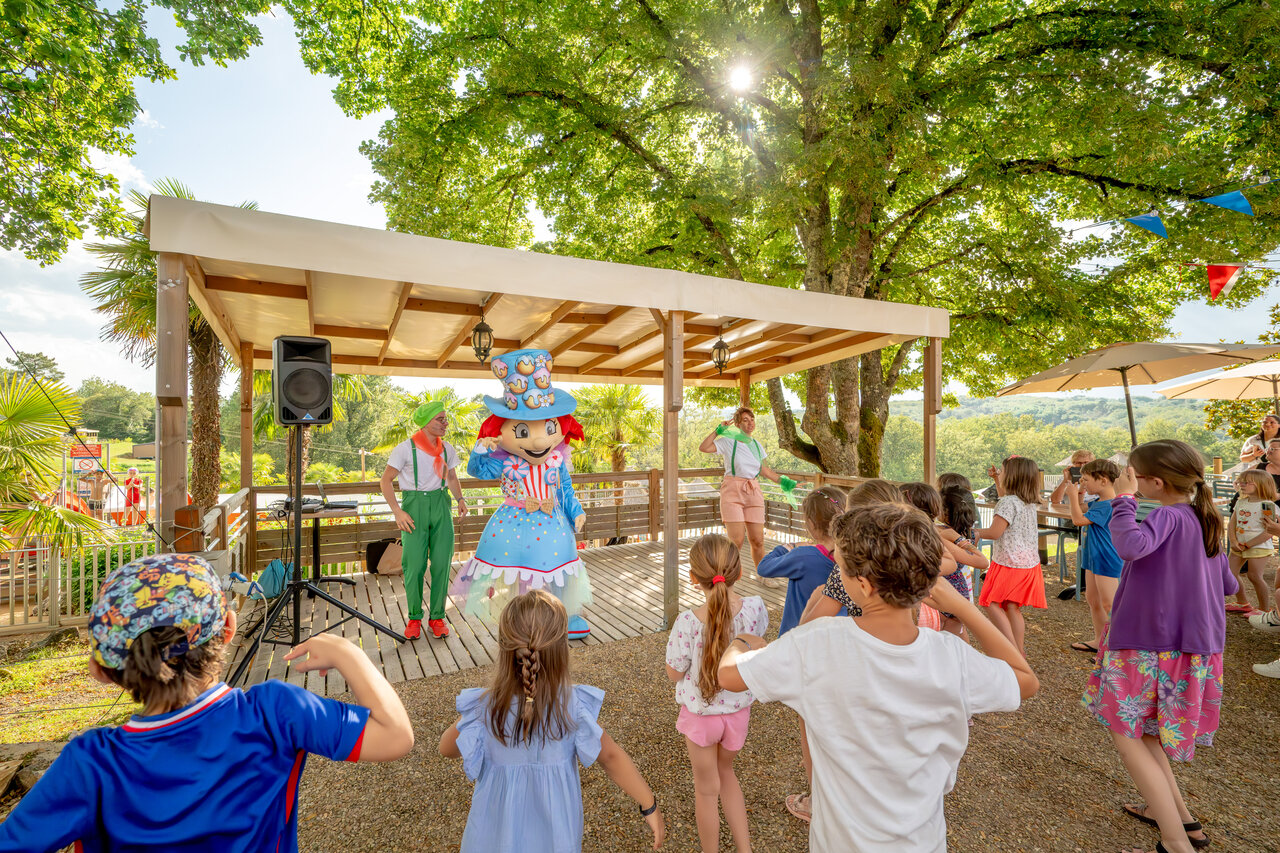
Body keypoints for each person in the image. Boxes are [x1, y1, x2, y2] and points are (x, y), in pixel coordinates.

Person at [0, 553, 414, 853]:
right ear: (229, 627)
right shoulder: (275, 712)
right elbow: (396, 736)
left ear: (101, 669)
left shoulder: (89, 763)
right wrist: (347, 652)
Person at [718, 503, 1038, 853]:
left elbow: (729, 677)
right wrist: (962, 607)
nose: (836, 575)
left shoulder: (816, 643)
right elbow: (1025, 680)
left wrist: (740, 642)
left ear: (865, 585)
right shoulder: (952, 656)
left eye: (840, 568)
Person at [1082, 440, 1235, 853]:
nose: (1128, 479)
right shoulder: (1206, 521)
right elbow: (1229, 585)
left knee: (1126, 735)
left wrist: (1124, 501)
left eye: (1132, 473)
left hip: (1147, 645)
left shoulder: (1167, 515)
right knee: (1147, 734)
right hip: (1193, 648)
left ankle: (1174, 843)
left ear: (1154, 481)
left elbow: (1130, 546)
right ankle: (1182, 821)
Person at [439, 590, 665, 852]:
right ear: (561, 649)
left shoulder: (487, 707)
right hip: (555, 839)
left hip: (491, 839)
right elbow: (611, 757)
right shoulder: (572, 706)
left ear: (505, 648)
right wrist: (649, 804)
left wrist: (477, 714)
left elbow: (446, 748)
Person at [452, 349, 593, 639]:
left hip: (553, 522)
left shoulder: (556, 460)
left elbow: (564, 489)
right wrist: (480, 449)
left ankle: (561, 616)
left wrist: (575, 511)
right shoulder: (504, 461)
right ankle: (525, 620)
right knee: (522, 575)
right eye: (523, 430)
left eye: (549, 427)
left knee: (558, 572)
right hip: (515, 521)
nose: (540, 439)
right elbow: (478, 470)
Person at [665, 534, 766, 853]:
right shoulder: (755, 609)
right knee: (728, 774)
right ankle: (745, 849)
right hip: (737, 715)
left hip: (701, 720)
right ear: (739, 571)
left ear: (694, 579)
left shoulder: (687, 622)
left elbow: (674, 672)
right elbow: (755, 643)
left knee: (706, 791)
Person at [380, 401, 470, 640]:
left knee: (442, 564)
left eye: (445, 418)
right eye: (440, 419)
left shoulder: (447, 449)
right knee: (415, 566)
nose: (445, 423)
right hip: (414, 507)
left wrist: (460, 498)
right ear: (426, 422)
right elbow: (385, 481)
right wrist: (398, 512)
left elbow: (451, 476)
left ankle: (437, 617)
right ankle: (414, 618)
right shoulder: (405, 449)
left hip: (441, 505)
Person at [698, 407, 792, 576]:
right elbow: (704, 447)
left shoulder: (756, 445)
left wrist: (785, 483)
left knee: (758, 540)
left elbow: (765, 470)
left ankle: (764, 575)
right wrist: (718, 431)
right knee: (736, 541)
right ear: (738, 424)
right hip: (732, 491)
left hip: (753, 491)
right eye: (745, 420)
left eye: (752, 419)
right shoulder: (727, 441)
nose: (750, 423)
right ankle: (727, 576)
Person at [975, 457, 1046, 659]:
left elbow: (995, 532)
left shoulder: (1008, 502)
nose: (1001, 473)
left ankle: (1011, 650)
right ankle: (1019, 651)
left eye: (1003, 471)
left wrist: (972, 532)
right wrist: (998, 481)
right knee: (1012, 607)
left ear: (1012, 476)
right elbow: (1005, 499)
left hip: (1009, 562)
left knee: (990, 603)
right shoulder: (1027, 501)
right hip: (1029, 564)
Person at [755, 485, 847, 635]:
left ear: (811, 523)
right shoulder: (853, 557)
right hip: (835, 636)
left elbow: (763, 567)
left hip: (796, 637)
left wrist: (789, 547)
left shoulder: (803, 556)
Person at [901, 482, 985, 638]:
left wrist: (953, 543)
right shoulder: (941, 531)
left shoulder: (939, 533)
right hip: (949, 596)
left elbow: (981, 561)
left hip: (941, 597)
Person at [1063, 459, 1122, 654]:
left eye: (1086, 480)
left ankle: (1118, 647)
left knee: (1109, 603)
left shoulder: (1109, 505)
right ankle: (1099, 640)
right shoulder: (1098, 502)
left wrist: (1072, 498)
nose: (1083, 483)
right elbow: (1083, 510)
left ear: (1103, 481)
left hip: (1106, 557)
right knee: (1093, 599)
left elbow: (1078, 519)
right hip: (1093, 557)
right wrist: (1079, 495)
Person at [1225, 468, 1277, 619]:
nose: (1242, 484)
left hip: (1258, 546)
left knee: (1254, 576)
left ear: (1261, 485)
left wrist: (1249, 544)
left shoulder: (1267, 506)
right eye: (1241, 481)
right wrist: (1234, 541)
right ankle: (1242, 602)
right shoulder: (1241, 502)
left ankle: (1263, 609)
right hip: (1238, 546)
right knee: (1230, 573)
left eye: (1247, 482)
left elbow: (1269, 531)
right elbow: (1231, 524)